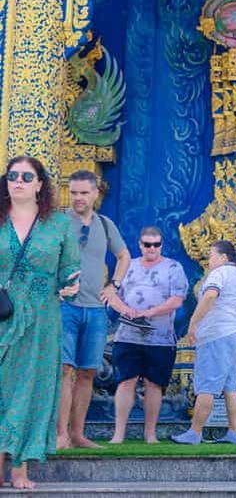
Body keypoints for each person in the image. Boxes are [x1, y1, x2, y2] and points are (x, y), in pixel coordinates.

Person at [0, 156, 80, 489]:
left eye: (25, 176)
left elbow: (69, 266)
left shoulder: (58, 224)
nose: (18, 181)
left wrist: (71, 284)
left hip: (42, 319)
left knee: (30, 390)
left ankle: (19, 468)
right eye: (12, 176)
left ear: (39, 184)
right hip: (3, 315)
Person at [57, 170, 131, 450]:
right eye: (73, 192)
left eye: (83, 193)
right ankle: (61, 435)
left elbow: (124, 256)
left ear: (95, 193)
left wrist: (114, 285)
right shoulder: (58, 222)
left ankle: (78, 434)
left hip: (96, 309)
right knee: (64, 369)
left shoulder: (105, 224)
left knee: (88, 372)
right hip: (65, 307)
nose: (78, 198)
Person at [104, 226, 188, 444]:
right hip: (127, 335)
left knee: (154, 384)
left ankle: (150, 434)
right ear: (140, 245)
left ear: (161, 245)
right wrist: (126, 310)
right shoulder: (127, 266)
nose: (152, 248)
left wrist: (150, 312)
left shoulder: (173, 267)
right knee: (125, 381)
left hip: (160, 337)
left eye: (156, 244)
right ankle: (118, 434)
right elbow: (111, 293)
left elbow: (177, 299)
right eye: (148, 244)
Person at [171, 240, 236, 445]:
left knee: (207, 385)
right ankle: (234, 432)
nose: (209, 259)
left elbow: (210, 296)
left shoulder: (219, 273)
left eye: (211, 255)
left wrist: (193, 323)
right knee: (231, 387)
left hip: (217, 336)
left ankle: (195, 432)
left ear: (223, 257)